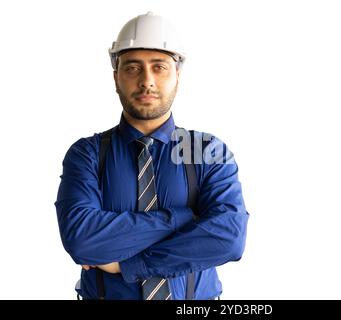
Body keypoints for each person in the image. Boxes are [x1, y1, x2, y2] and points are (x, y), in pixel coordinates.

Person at [55, 12, 249, 300]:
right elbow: (82, 241)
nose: (147, 81)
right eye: (133, 68)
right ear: (116, 77)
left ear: (177, 75)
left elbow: (229, 239)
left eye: (159, 67)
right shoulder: (88, 154)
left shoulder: (208, 151)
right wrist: (185, 219)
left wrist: (128, 264)